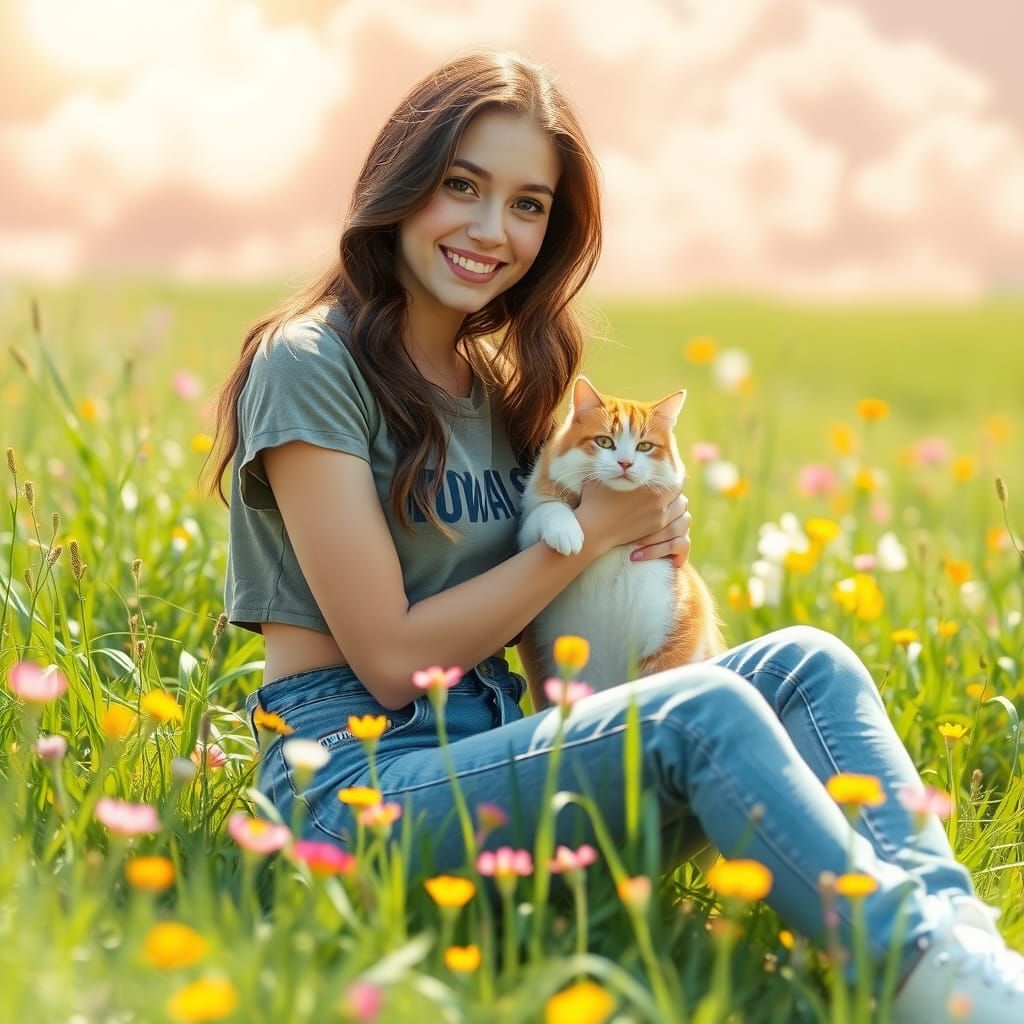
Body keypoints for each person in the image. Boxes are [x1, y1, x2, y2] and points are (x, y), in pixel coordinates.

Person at [204, 49, 1023, 1022]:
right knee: (700, 712)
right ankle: (926, 980)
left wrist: (644, 533)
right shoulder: (310, 360)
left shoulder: (501, 388)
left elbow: (544, 598)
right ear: (400, 180)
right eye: (461, 185)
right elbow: (390, 661)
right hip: (355, 779)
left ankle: (968, 952)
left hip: (494, 747)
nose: (489, 228)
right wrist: (582, 538)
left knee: (808, 659)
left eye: (527, 203)